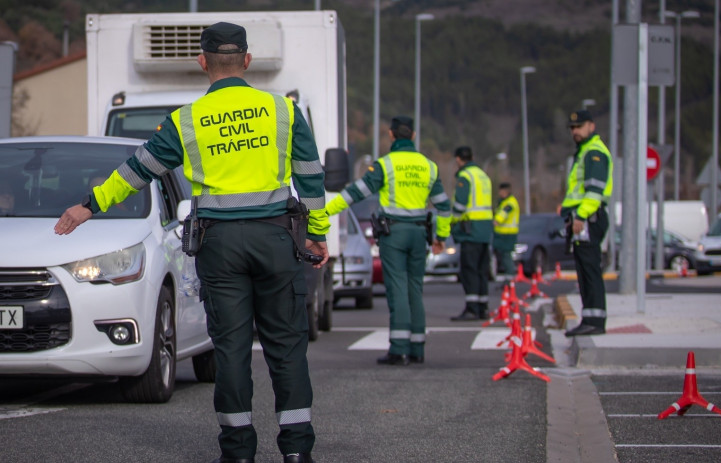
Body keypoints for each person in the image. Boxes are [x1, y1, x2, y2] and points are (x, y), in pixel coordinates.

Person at [54, 22, 328, 463]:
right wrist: (316, 234)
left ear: (202, 62)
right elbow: (312, 178)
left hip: (219, 245)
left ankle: (238, 452)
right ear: (247, 61)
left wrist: (90, 204)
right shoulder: (284, 111)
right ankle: (296, 452)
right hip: (277, 239)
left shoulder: (186, 121)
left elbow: (139, 168)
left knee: (232, 349)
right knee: (287, 347)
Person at [325, 116, 451, 365]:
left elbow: (354, 193)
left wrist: (324, 211)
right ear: (413, 136)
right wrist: (441, 237)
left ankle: (399, 349)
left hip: (394, 234)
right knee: (415, 289)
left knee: (397, 289)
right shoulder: (429, 166)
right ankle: (417, 348)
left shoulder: (386, 165)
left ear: (391, 135)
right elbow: (444, 207)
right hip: (419, 235)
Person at [560, 109, 613, 337]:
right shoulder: (583, 152)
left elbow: (594, 192)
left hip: (589, 219)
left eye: (579, 127)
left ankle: (595, 321)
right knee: (584, 271)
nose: (575, 131)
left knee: (590, 270)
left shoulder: (594, 153)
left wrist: (580, 216)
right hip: (584, 218)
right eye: (572, 128)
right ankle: (590, 318)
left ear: (591, 126)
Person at [449, 146, 494, 321]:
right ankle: (483, 307)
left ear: (459, 159)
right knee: (482, 270)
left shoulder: (465, 176)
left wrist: (452, 222)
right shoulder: (483, 175)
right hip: (484, 229)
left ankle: (472, 308)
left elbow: (460, 205)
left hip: (470, 229)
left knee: (469, 270)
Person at [492, 182, 519, 279]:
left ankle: (510, 278)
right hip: (502, 233)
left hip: (508, 234)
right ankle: (507, 277)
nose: (500, 193)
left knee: (506, 256)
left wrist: (496, 221)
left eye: (501, 191)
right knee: (503, 257)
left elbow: (503, 214)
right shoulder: (503, 202)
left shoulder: (510, 203)